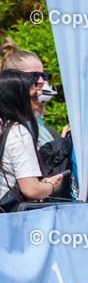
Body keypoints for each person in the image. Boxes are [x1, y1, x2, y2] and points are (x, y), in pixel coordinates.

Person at [0, 70, 64, 205]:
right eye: (34, 96)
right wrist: (51, 185)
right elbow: (31, 189)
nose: (38, 102)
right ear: (16, 99)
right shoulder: (17, 132)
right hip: (9, 219)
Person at [0, 38, 61, 145]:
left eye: (43, 75)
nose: (41, 81)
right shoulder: (6, 120)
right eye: (34, 76)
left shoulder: (34, 115)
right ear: (15, 77)